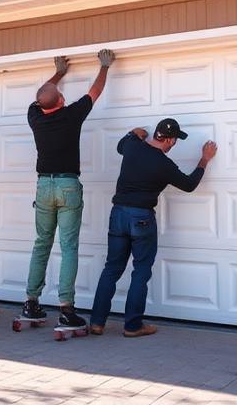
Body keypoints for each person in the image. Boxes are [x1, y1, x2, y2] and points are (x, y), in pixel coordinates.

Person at [89, 119, 218, 337]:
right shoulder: (164, 165)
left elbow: (121, 145)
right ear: (169, 139)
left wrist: (133, 132)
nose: (173, 145)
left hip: (118, 213)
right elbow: (189, 185)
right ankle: (132, 326)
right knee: (140, 271)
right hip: (141, 218)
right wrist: (204, 160)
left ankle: (96, 322)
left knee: (111, 269)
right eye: (175, 141)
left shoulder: (132, 146)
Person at [21, 49, 116, 329]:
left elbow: (43, 95)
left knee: (41, 243)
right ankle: (66, 308)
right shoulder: (71, 114)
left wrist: (60, 73)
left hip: (43, 186)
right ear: (61, 100)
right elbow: (95, 91)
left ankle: (31, 302)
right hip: (67, 186)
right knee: (68, 246)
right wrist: (105, 66)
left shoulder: (34, 116)